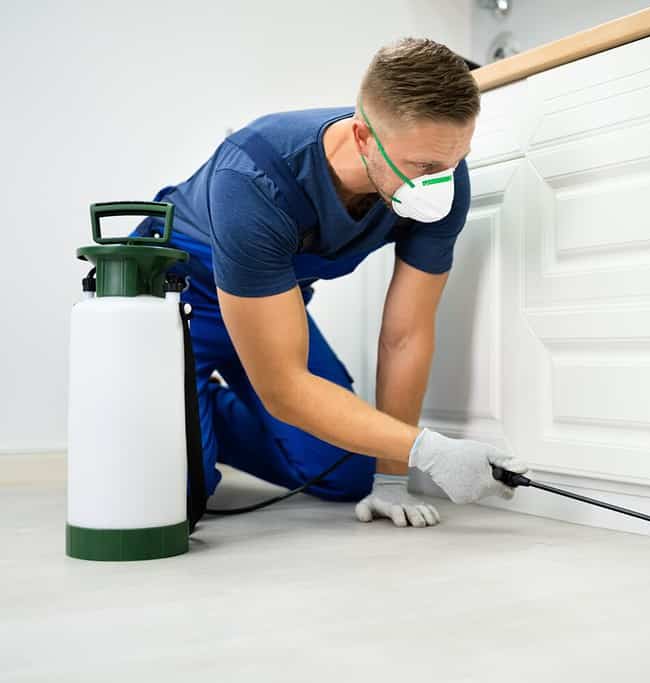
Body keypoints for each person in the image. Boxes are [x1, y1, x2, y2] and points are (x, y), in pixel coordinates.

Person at [129, 37, 529, 529]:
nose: (442, 181)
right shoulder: (254, 178)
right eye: (424, 167)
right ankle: (184, 400)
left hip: (272, 302)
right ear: (363, 138)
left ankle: (205, 416)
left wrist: (392, 478)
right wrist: (429, 449)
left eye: (455, 160)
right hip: (183, 294)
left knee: (349, 473)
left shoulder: (441, 174)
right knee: (174, 500)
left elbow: (405, 337)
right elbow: (285, 388)